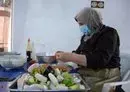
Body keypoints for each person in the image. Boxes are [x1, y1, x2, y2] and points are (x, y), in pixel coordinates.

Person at [55, 7, 120, 92]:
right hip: (89, 73)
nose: (80, 27)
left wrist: (71, 57)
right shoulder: (86, 36)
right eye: (79, 24)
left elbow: (100, 60)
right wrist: (64, 55)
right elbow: (78, 53)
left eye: (81, 24)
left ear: (91, 22)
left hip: (105, 77)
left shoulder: (109, 33)